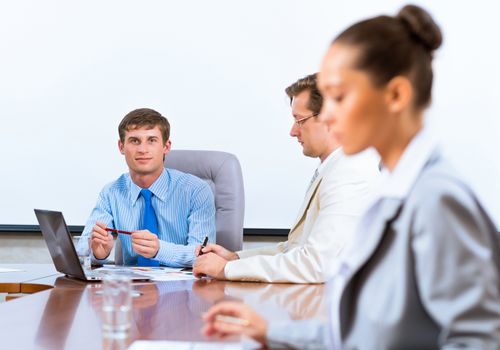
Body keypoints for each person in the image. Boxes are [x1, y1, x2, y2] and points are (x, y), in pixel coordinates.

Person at [202, 4, 500, 348]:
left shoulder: (436, 199)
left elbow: (481, 341)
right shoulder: (393, 190)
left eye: (339, 97)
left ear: (396, 95)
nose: (327, 115)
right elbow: (365, 337)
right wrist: (270, 332)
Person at [193, 74, 379, 283]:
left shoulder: (350, 173)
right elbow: (294, 248)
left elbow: (316, 264)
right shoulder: (334, 167)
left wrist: (227, 269)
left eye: (300, 120)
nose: (293, 131)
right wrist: (235, 258)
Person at [77, 108, 216, 267]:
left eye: (152, 140)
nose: (143, 150)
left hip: (185, 287)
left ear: (166, 146)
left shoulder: (197, 191)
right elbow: (82, 250)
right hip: (131, 288)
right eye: (134, 141)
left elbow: (203, 255)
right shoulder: (111, 192)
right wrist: (96, 253)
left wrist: (159, 250)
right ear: (121, 146)